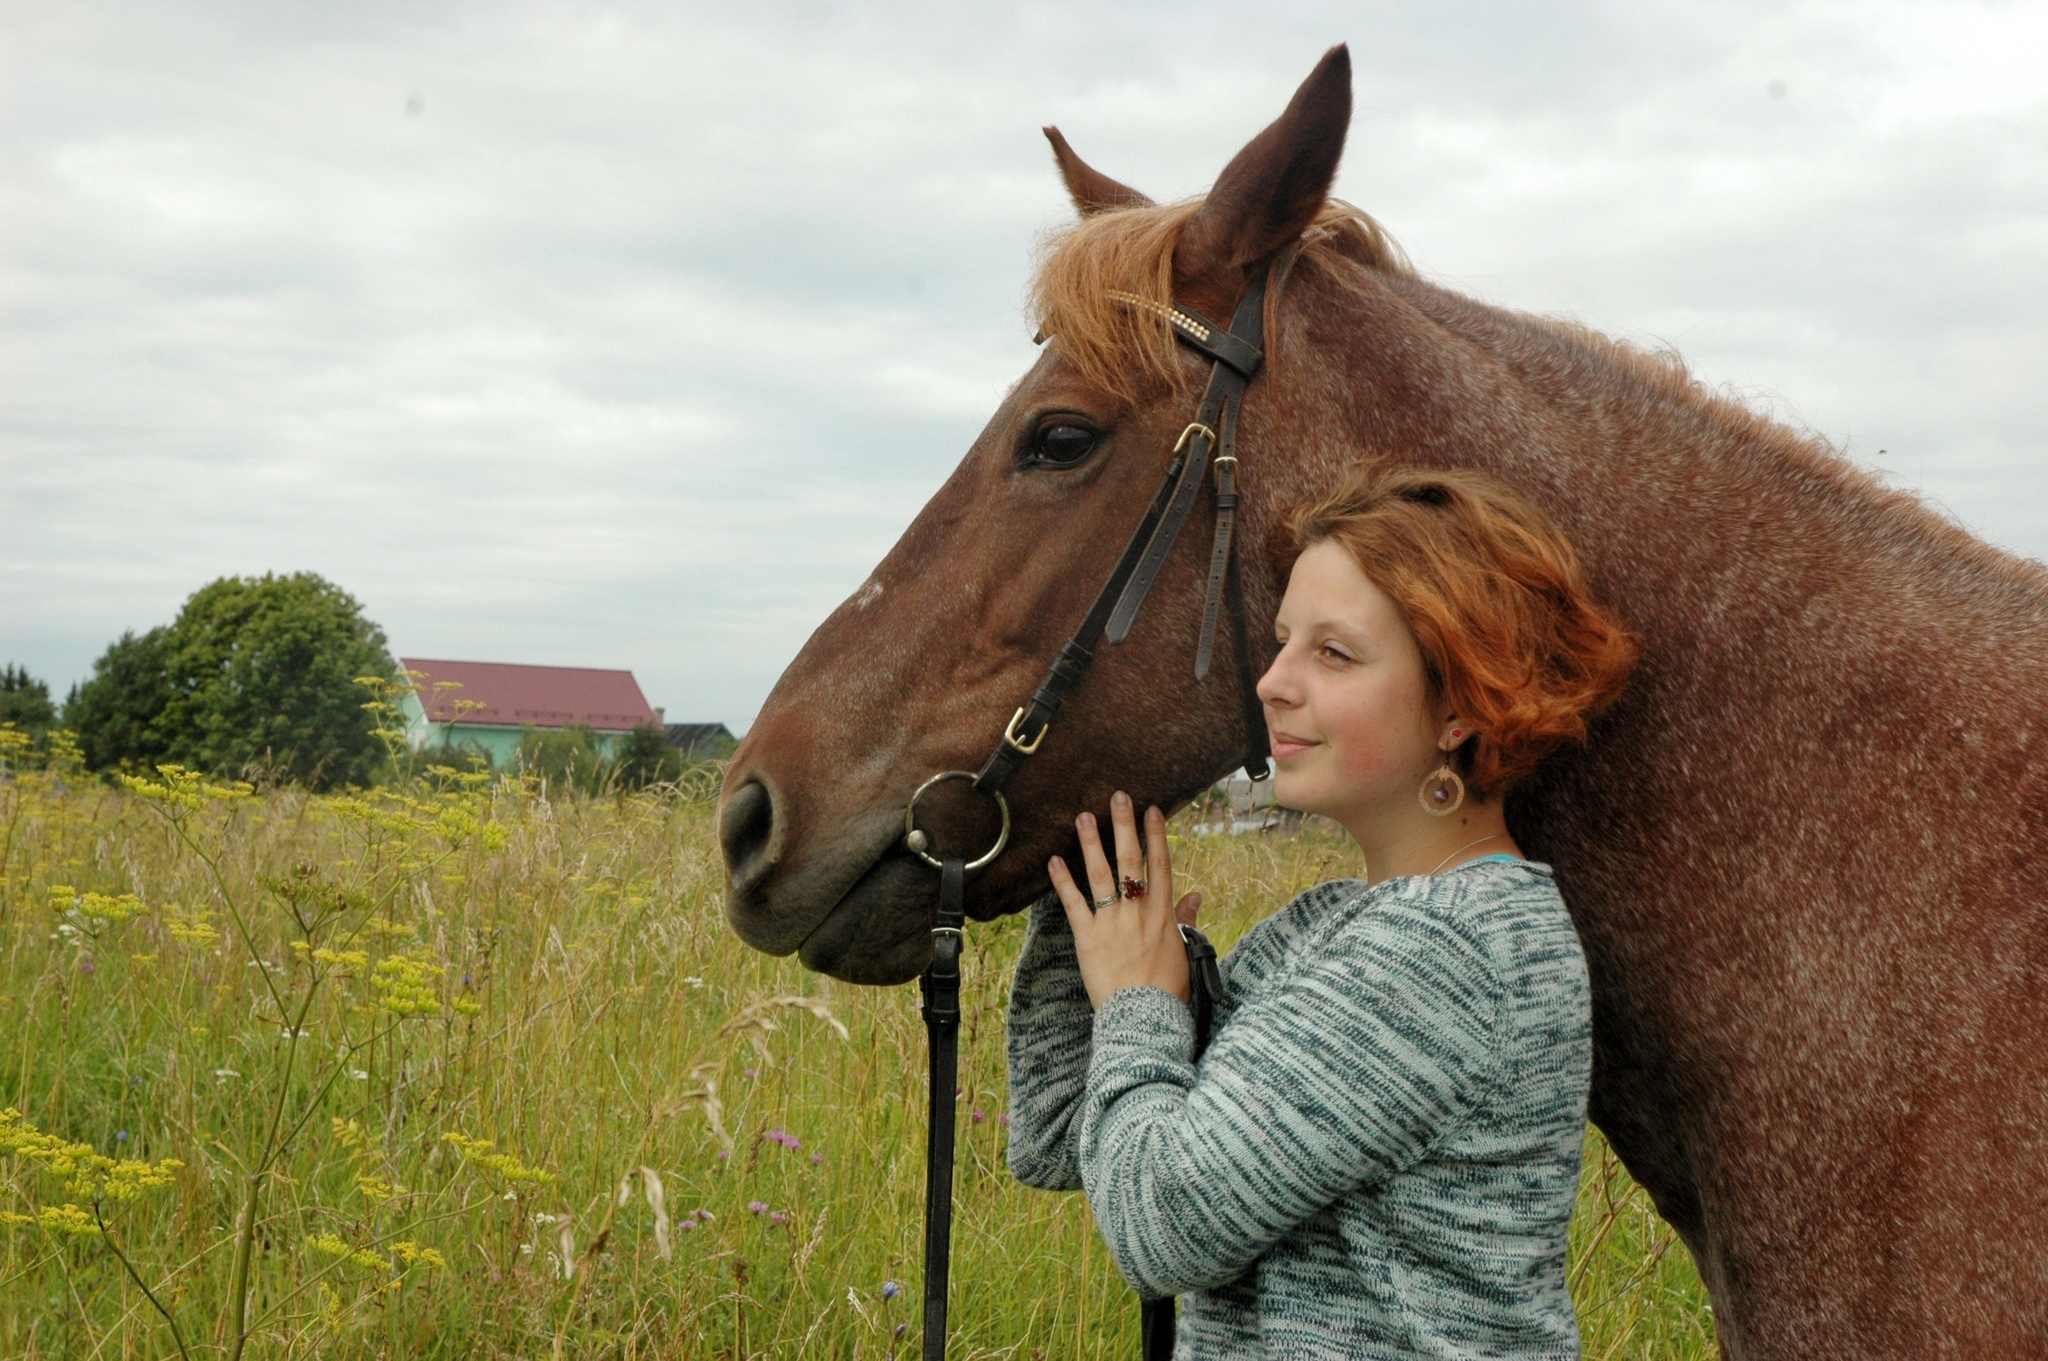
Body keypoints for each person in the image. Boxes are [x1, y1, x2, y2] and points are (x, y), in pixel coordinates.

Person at [1005, 465, 1638, 1358]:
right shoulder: (1337, 922)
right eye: (1281, 641)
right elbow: (1063, 1135)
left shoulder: (1443, 950)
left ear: (1459, 700)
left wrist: (1137, 1003)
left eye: (1332, 653)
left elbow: (1160, 1225)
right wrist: (1095, 919)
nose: (1271, 681)